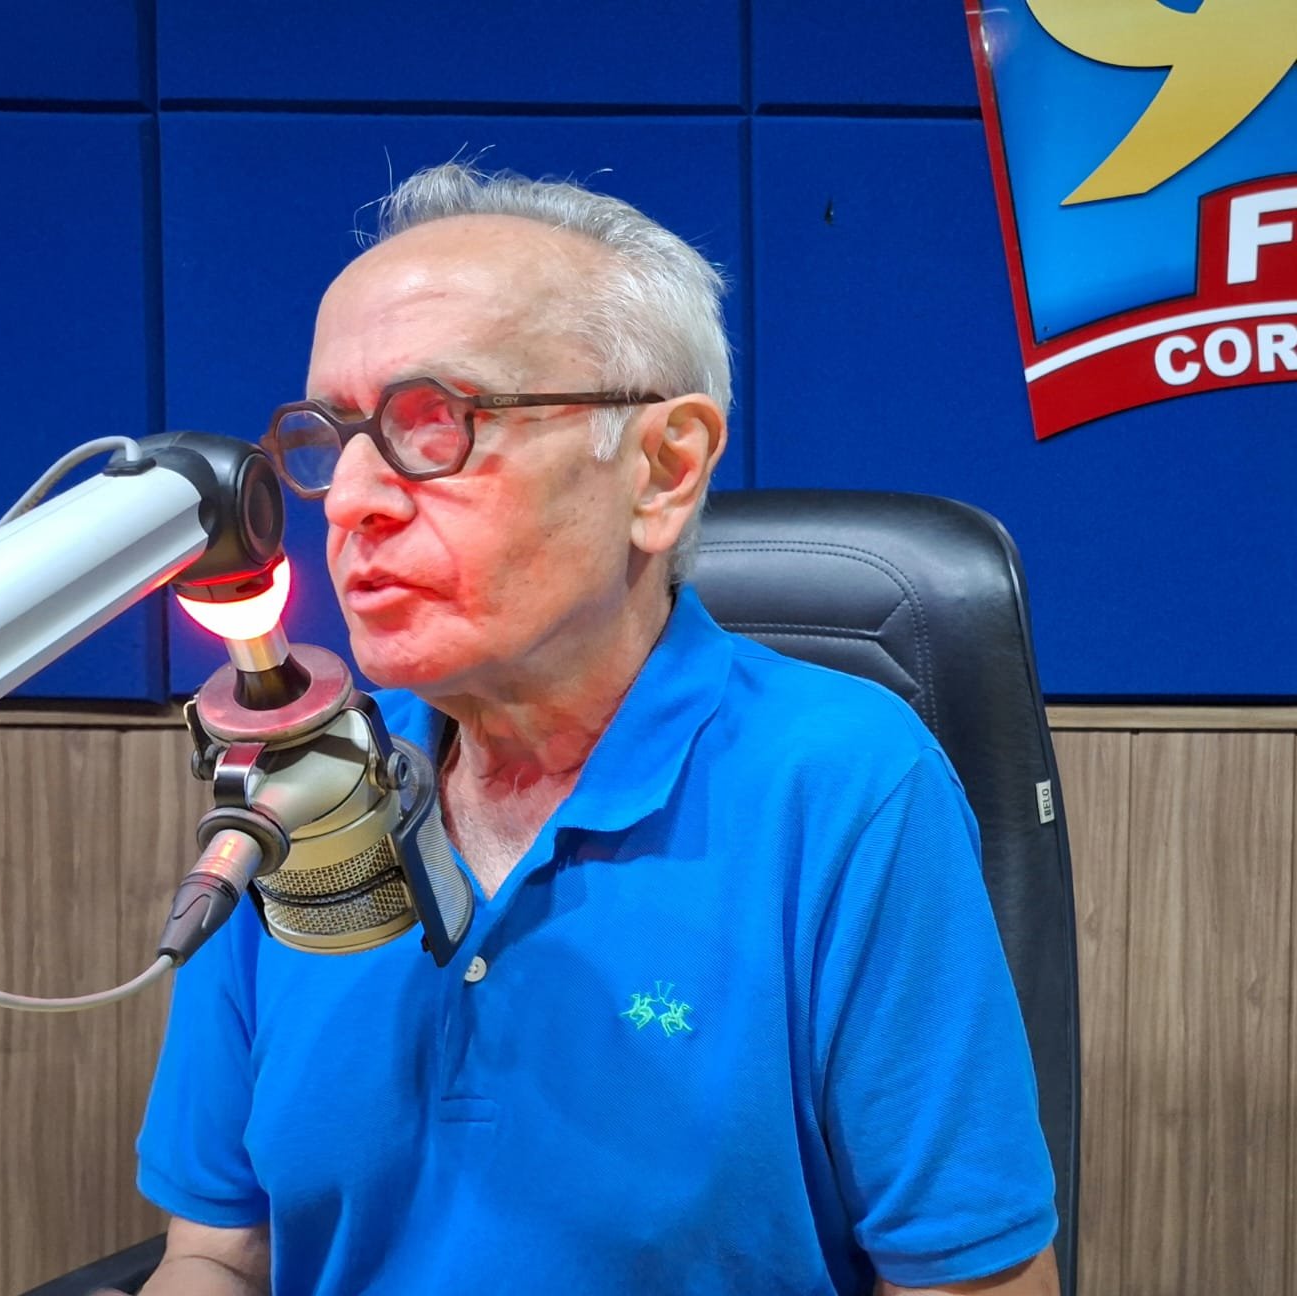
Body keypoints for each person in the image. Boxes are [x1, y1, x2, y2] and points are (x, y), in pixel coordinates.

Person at [121, 162, 1059, 1295]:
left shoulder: (845, 788)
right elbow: (219, 1251)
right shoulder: (301, 786)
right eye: (332, 435)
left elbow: (969, 1284)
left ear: (663, 469)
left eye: (435, 423)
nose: (354, 499)